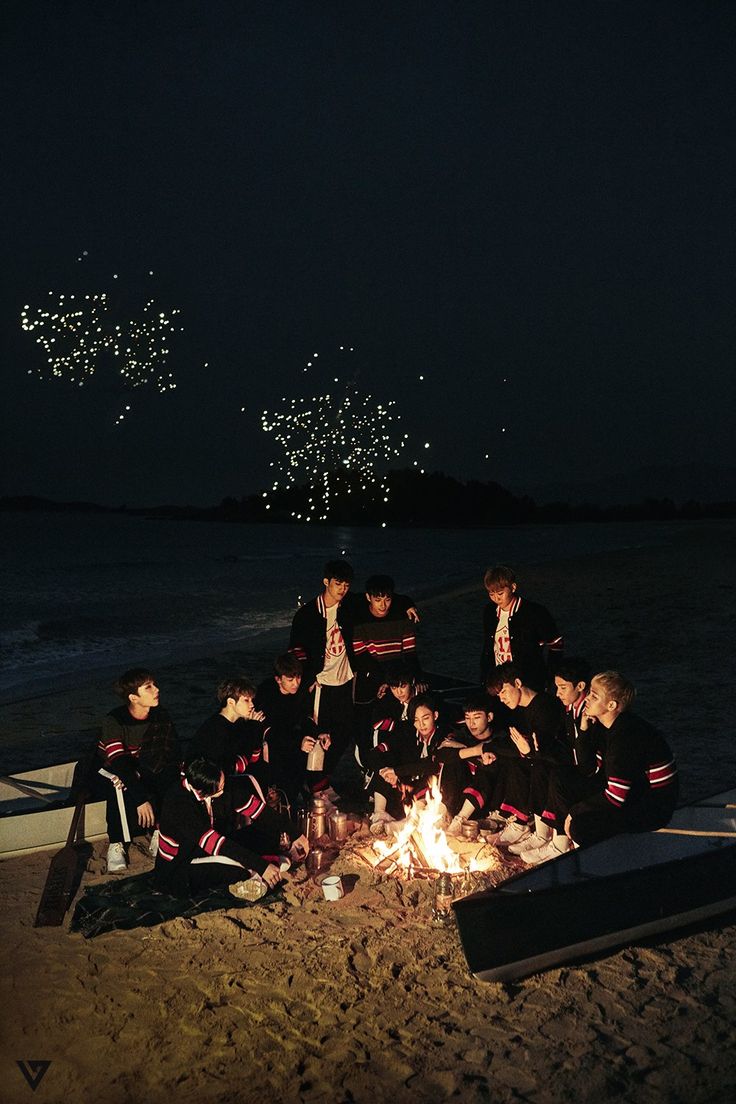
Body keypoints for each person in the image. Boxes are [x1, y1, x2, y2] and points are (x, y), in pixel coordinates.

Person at [289, 559, 417, 797]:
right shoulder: (307, 614)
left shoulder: (348, 605)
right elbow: (296, 650)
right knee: (318, 733)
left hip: (346, 680)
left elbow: (381, 598)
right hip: (321, 683)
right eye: (338, 584)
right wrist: (307, 678)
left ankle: (321, 781)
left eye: (346, 585)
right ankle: (315, 787)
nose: (343, 589)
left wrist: (407, 603)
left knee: (343, 733)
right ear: (326, 582)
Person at [540, 671, 679, 862]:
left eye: (594, 696)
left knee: (580, 826)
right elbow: (586, 768)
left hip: (652, 806)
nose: (587, 698)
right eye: (590, 693)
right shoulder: (605, 726)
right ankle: (564, 845)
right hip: (633, 791)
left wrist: (574, 812)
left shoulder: (625, 736)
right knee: (561, 777)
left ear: (611, 705)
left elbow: (616, 796)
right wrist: (584, 730)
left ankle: (599, 858)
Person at [154, 757, 286, 898]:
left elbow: (258, 809)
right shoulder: (178, 803)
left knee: (264, 834)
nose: (225, 786)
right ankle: (257, 876)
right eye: (221, 785)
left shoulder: (217, 786)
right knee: (235, 870)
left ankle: (265, 867)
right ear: (202, 791)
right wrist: (261, 866)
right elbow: (214, 842)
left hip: (209, 847)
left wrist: (295, 834)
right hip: (181, 862)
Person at [508, 658, 595, 860]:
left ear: (580, 686)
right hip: (576, 765)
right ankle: (541, 834)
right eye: (557, 687)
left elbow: (585, 759)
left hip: (592, 775)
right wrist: (531, 750)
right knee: (539, 765)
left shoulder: (588, 713)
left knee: (558, 776)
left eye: (563, 688)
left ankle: (561, 843)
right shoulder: (570, 710)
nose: (557, 693)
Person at [98, 668, 181, 874]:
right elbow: (117, 760)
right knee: (118, 783)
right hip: (109, 768)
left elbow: (170, 751)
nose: (157, 690)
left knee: (170, 773)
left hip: (144, 765)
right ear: (134, 697)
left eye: (154, 684)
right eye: (149, 687)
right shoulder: (115, 719)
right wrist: (141, 799)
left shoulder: (161, 715)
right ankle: (116, 843)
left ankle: (159, 830)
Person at [483, 662, 566, 847]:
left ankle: (542, 835)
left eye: (503, 692)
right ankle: (519, 822)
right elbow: (515, 743)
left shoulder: (545, 706)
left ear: (518, 683)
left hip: (557, 761)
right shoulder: (517, 711)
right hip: (536, 757)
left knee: (533, 766)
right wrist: (487, 749)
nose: (501, 699)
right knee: (510, 760)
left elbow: (547, 749)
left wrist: (528, 752)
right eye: (498, 695)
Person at [352, 574, 426, 771]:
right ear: (368, 597)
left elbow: (409, 652)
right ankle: (368, 767)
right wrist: (383, 680)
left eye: (387, 599)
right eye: (378, 600)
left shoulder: (402, 617)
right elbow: (361, 656)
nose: (383, 605)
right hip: (371, 676)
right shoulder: (359, 619)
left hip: (397, 676)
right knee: (368, 726)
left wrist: (416, 678)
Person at [254, 654, 324, 813]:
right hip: (271, 746)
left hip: (292, 738)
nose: (296, 684)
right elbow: (268, 732)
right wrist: (299, 741)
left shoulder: (300, 690)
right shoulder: (266, 695)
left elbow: (306, 717)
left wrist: (318, 734)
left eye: (298, 678)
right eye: (290, 680)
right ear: (279, 679)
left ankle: (301, 796)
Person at [480, 565, 563, 691]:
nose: (496, 599)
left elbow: (556, 644)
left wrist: (550, 675)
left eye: (500, 593)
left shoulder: (535, 612)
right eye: (492, 594)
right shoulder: (490, 612)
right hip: (498, 681)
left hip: (527, 681)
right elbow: (489, 646)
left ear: (513, 587)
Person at [187, 677, 266, 780]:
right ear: (231, 702)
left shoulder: (238, 723)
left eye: (251, 700)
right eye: (246, 700)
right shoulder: (216, 729)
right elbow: (234, 767)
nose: (252, 705)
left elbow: (253, 757)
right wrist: (253, 727)